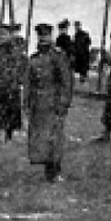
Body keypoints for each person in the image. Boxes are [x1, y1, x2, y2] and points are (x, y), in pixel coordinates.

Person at [24, 23, 74, 183]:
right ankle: (48, 170)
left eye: (45, 35)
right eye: (40, 36)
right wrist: (26, 104)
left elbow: (66, 82)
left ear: (51, 36)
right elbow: (28, 83)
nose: (43, 38)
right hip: (38, 104)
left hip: (53, 103)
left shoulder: (58, 57)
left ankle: (55, 170)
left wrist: (63, 103)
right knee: (41, 138)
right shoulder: (34, 58)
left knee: (54, 139)